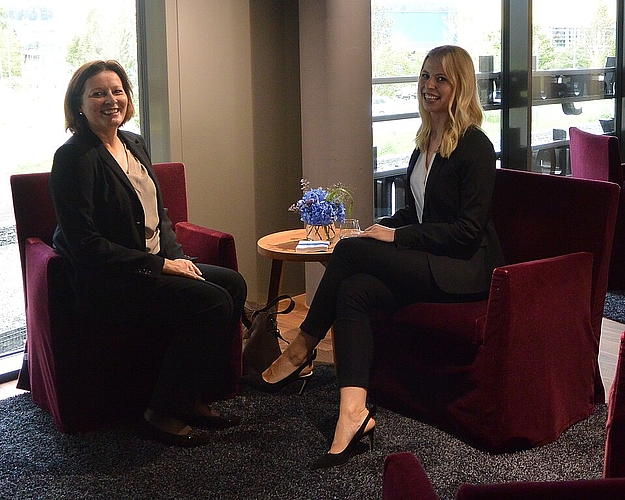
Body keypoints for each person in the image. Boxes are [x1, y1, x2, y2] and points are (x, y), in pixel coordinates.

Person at [243, 45, 505, 469]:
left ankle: (300, 348)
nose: (429, 86)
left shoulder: (474, 146)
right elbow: (418, 212)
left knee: (347, 251)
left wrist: (396, 236)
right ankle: (353, 413)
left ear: (461, 86)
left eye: (441, 78)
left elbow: (466, 233)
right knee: (355, 288)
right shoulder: (424, 143)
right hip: (434, 259)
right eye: (424, 77)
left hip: (464, 269)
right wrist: (381, 227)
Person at [50, 60, 247, 447]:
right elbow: (83, 243)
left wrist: (180, 258)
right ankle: (159, 411)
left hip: (156, 265)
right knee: (211, 301)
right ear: (79, 103)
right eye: (98, 93)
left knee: (233, 284)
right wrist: (161, 264)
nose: (111, 100)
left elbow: (161, 214)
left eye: (117, 90)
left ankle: (192, 397)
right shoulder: (74, 157)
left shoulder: (134, 142)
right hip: (112, 280)